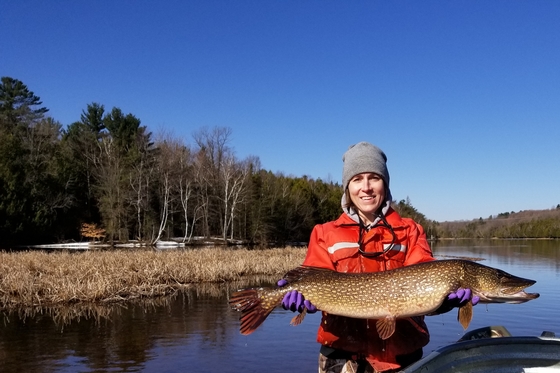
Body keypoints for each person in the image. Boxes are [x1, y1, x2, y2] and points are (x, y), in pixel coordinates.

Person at [279, 142, 479, 373]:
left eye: (374, 177)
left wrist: (444, 301)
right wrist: (299, 298)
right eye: (357, 179)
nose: (366, 187)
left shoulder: (410, 231)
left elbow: (424, 290)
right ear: (347, 187)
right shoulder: (324, 233)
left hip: (403, 357)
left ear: (385, 182)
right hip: (342, 360)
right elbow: (313, 278)